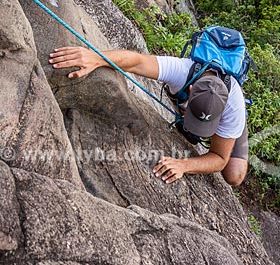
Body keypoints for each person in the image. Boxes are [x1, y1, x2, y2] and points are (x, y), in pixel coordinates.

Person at [49, 46, 248, 186]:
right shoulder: (182, 71)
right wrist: (97, 58)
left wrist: (184, 165)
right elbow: (137, 62)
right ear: (191, 88)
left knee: (234, 175)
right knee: (188, 130)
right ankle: (188, 112)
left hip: (228, 115)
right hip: (193, 96)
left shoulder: (234, 109)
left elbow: (220, 158)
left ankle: (211, 124)